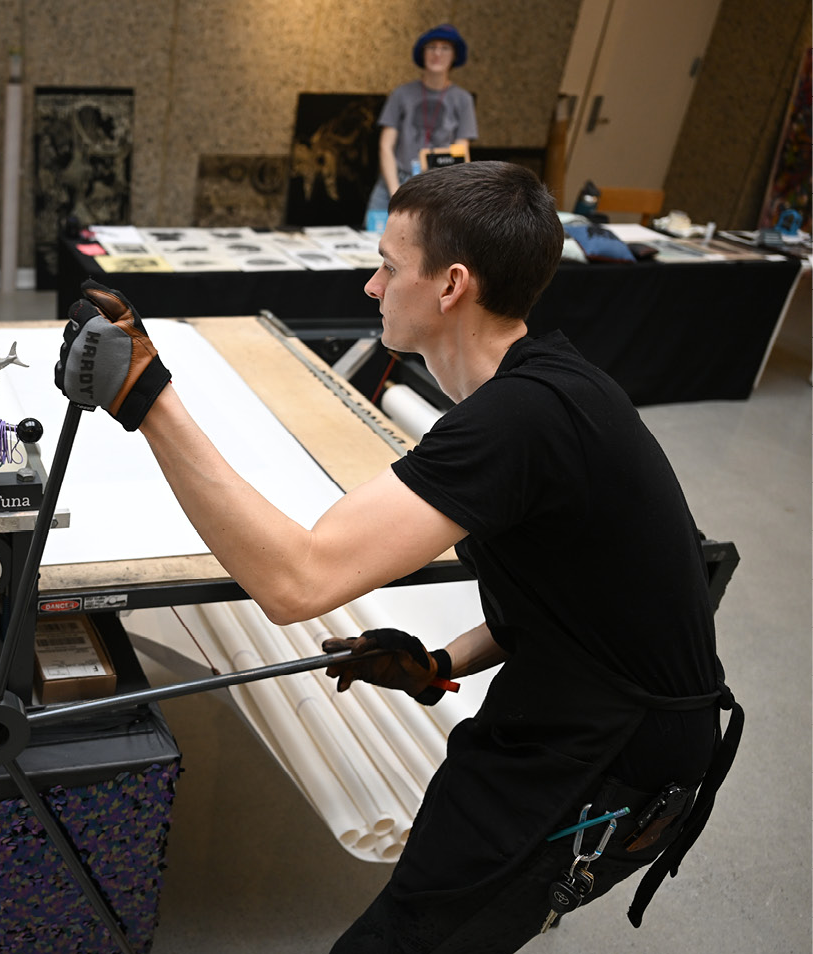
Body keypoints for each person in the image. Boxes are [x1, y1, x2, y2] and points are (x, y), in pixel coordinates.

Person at [55, 161, 740, 953]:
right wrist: (440, 661)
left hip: (614, 762)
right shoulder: (543, 389)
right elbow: (580, 599)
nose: (372, 288)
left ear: (451, 285)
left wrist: (147, 397)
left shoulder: (518, 421)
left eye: (388, 266)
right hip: (569, 717)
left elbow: (296, 579)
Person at [366, 24, 478, 230]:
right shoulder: (401, 94)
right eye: (431, 47)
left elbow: (462, 152)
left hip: (438, 186)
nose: (437, 53)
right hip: (395, 181)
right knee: (375, 243)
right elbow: (386, 146)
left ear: (454, 55)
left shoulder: (463, 100)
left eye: (445, 48)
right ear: (421, 53)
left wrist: (457, 193)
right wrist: (395, 192)